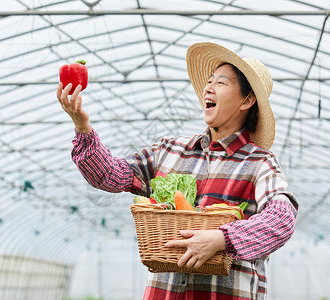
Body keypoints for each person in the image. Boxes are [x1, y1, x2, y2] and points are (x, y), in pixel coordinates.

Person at [57, 42, 298, 299]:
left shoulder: (260, 163)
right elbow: (110, 175)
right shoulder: (170, 151)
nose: (208, 87)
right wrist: (82, 126)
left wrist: (222, 240)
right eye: (209, 81)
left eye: (221, 83)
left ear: (247, 100)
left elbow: (282, 219)